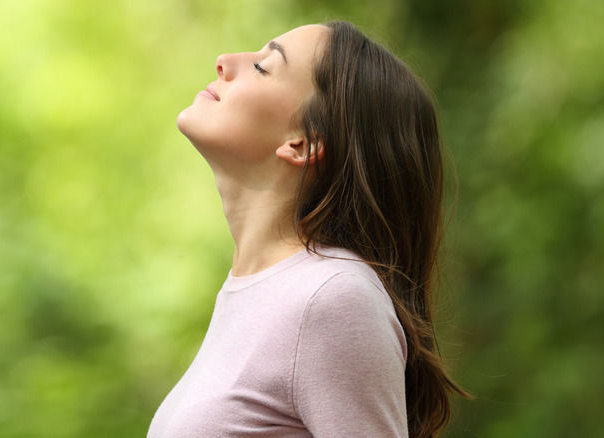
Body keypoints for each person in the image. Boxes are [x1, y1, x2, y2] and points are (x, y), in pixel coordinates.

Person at [148, 21, 469, 438]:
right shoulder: (261, 292)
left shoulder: (332, 298)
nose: (224, 62)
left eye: (263, 67)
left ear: (303, 142)